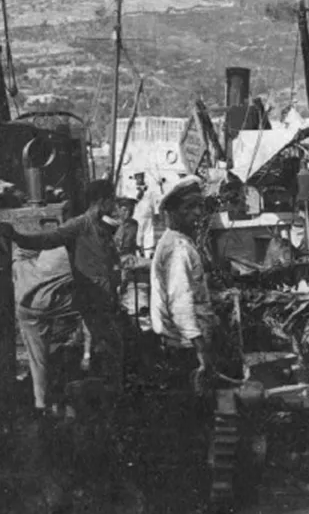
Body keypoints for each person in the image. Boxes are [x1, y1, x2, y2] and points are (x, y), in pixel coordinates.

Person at [1, 180, 126, 394]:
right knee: (109, 350)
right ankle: (101, 397)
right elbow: (49, 239)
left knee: (111, 350)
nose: (113, 204)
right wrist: (17, 236)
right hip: (93, 300)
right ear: (102, 201)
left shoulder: (101, 227)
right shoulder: (80, 225)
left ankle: (106, 394)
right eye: (111, 199)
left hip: (104, 299)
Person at [149, 176, 225, 388]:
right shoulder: (178, 247)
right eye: (189, 207)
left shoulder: (176, 241)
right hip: (187, 348)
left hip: (183, 343)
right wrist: (201, 350)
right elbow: (180, 304)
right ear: (173, 212)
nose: (198, 213)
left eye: (199, 206)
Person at [12, 221, 77, 418]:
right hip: (49, 304)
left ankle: (41, 404)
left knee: (37, 359)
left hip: (24, 302)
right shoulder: (75, 254)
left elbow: (20, 253)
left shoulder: (48, 249)